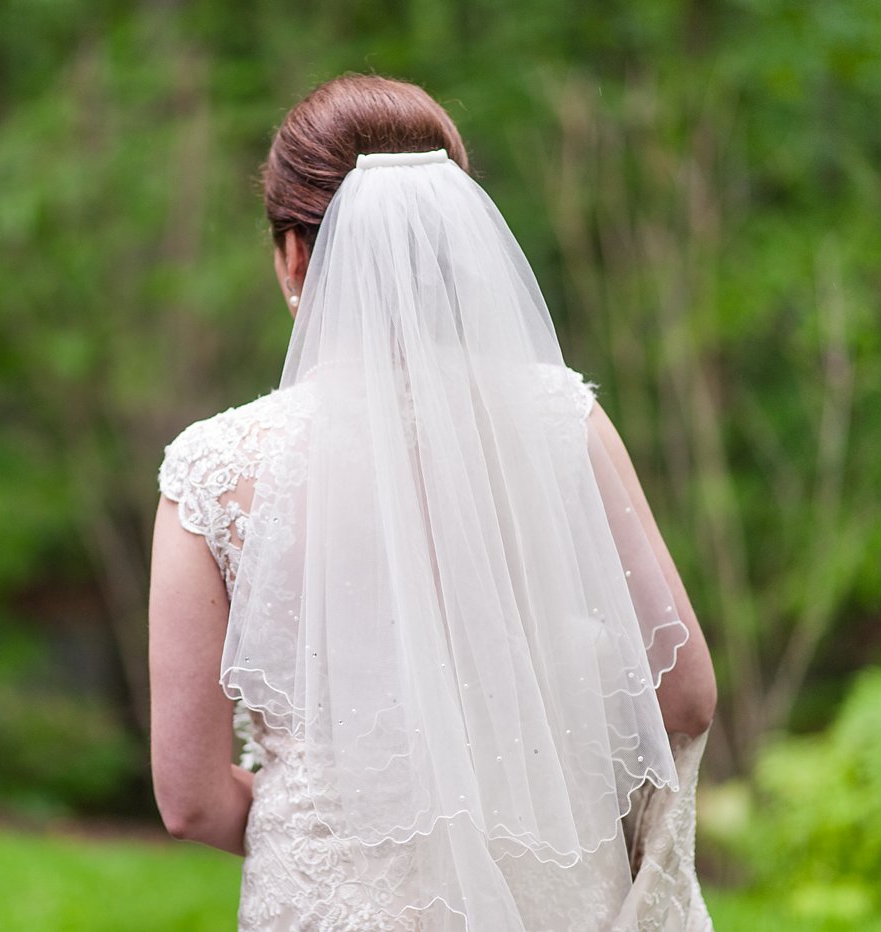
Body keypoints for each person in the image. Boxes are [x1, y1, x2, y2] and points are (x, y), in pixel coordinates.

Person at [149, 74, 717, 931]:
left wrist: (333, 836)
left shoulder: (213, 470)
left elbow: (189, 800)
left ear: (294, 256)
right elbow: (686, 699)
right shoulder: (563, 419)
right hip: (555, 898)